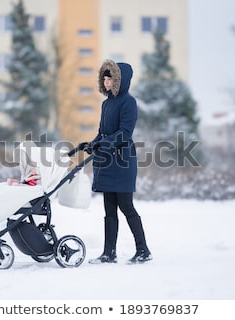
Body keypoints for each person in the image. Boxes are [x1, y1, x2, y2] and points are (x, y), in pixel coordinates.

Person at [80, 59, 152, 264]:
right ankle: (108, 253)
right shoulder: (106, 104)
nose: (106, 80)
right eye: (104, 76)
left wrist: (107, 143)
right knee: (109, 209)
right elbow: (103, 132)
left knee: (126, 206)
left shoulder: (128, 102)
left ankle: (143, 250)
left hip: (122, 161)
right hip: (107, 161)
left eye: (109, 76)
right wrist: (93, 144)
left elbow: (125, 133)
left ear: (119, 80)